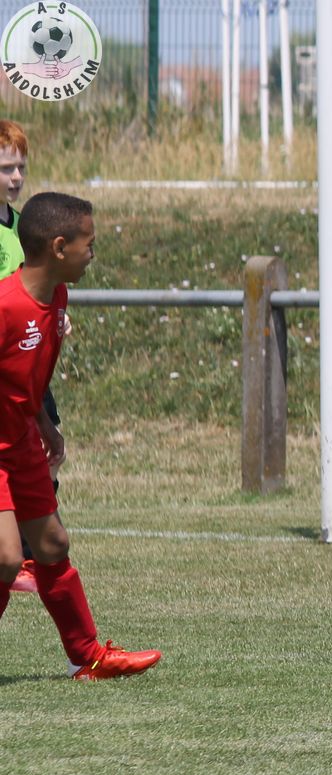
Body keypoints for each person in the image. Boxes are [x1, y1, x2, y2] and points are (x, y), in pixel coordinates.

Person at [0, 192, 161, 680]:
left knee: (51, 545)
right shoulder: (6, 305)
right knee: (7, 558)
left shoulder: (57, 299)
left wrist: (45, 426)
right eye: (88, 244)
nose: (93, 253)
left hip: (21, 442)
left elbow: (25, 380)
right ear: (58, 247)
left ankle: (89, 657)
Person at [0, 119, 61, 596]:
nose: (17, 177)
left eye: (21, 167)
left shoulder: (24, 227)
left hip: (27, 362)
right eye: (6, 168)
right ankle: (17, 553)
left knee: (47, 448)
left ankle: (26, 550)